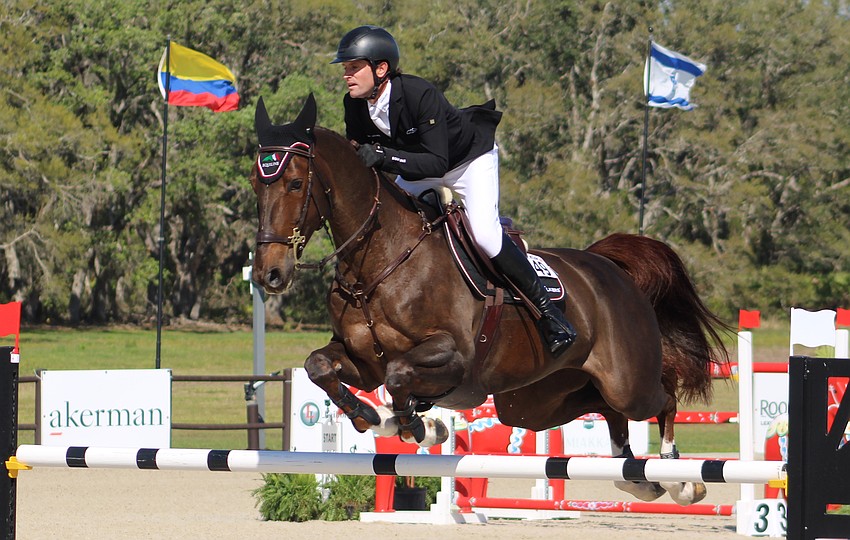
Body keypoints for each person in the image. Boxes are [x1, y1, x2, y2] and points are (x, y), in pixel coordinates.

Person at [331, 25, 576, 356]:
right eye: (346, 69)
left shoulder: (419, 94)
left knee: (486, 236)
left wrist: (386, 156)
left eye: (353, 67)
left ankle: (551, 316)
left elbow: (436, 162)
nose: (347, 75)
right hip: (418, 168)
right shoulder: (354, 104)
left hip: (467, 162)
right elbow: (363, 153)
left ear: (381, 68)